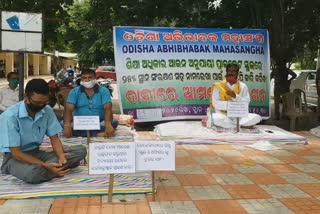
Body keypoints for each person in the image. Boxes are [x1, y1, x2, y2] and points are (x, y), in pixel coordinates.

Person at [0, 79, 87, 184]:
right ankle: (52, 168)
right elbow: (16, 153)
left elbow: (54, 138)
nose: (41, 105)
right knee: (32, 174)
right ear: (26, 97)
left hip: (37, 153)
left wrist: (61, 157)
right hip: (15, 158)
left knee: (80, 150)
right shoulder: (10, 116)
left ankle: (53, 167)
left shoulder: (47, 110)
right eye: (37, 102)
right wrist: (44, 165)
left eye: (44, 102)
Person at [63, 69, 118, 137]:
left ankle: (82, 134)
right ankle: (97, 134)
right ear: (81, 79)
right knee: (63, 124)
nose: (87, 80)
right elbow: (68, 109)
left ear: (95, 78)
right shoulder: (74, 91)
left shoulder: (104, 91)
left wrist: (108, 124)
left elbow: (108, 108)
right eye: (84, 78)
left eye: (90, 77)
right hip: (80, 123)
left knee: (113, 122)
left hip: (99, 122)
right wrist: (67, 125)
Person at [209, 63, 261, 129]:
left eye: (233, 71)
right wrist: (231, 106)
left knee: (256, 117)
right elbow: (216, 104)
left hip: (239, 116)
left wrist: (235, 96)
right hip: (223, 115)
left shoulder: (243, 86)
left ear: (237, 73)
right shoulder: (218, 86)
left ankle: (234, 125)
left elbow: (246, 102)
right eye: (229, 71)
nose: (231, 72)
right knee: (215, 117)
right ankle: (239, 125)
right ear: (226, 72)